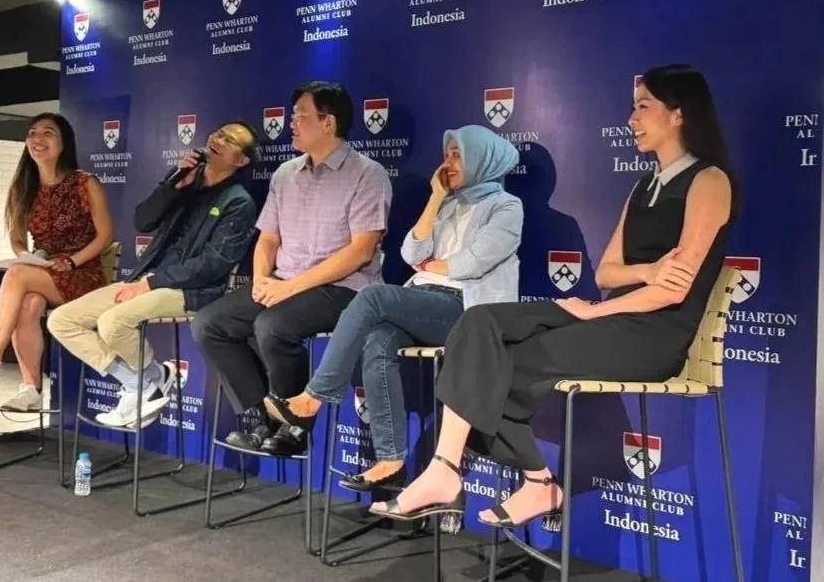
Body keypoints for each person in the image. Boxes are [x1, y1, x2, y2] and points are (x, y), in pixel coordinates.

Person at [368, 64, 739, 529]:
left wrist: (602, 308)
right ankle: (458, 469)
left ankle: (525, 482)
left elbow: (673, 289)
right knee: (479, 321)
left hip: (653, 335)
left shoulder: (709, 181)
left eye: (643, 106)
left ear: (680, 114)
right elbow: (607, 270)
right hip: (613, 316)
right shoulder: (644, 185)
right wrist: (642, 271)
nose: (631, 119)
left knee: (505, 367)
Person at [264, 124, 523, 490]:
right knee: (377, 341)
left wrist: (436, 266)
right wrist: (435, 198)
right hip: (427, 298)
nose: (448, 162)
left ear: (482, 159)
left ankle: (313, 398)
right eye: (446, 154)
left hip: (469, 310)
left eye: (457, 155)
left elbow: (474, 262)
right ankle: (390, 461)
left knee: (371, 295)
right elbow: (411, 253)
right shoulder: (448, 202)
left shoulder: (507, 206)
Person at [192, 81, 392, 456]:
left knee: (273, 325)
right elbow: (268, 238)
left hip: (344, 288)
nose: (292, 124)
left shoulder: (368, 174)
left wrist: (290, 288)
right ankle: (257, 416)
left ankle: (294, 423)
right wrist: (263, 279)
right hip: (285, 282)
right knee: (209, 323)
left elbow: (360, 252)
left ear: (327, 122)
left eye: (300, 116)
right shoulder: (286, 173)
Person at [47, 122, 259, 428]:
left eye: (230, 141)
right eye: (219, 134)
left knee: (113, 322)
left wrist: (150, 283)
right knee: (61, 321)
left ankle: (146, 384)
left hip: (191, 290)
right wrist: (172, 187)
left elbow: (215, 263)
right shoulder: (185, 181)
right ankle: (146, 380)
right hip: (145, 276)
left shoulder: (238, 202)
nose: (218, 140)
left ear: (241, 161)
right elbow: (142, 221)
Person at [0, 113, 114, 411]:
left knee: (15, 276)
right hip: (44, 270)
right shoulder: (24, 187)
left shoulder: (84, 183)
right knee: (29, 304)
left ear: (63, 143)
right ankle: (31, 388)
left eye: (48, 133)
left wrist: (72, 262)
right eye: (32, 133)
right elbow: (17, 238)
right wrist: (30, 257)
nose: (38, 139)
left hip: (82, 274)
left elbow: (105, 236)